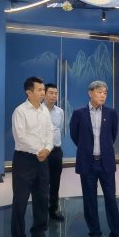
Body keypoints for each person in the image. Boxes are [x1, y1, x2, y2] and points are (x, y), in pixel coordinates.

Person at [69, 80, 119, 237]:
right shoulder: (79, 114)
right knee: (89, 199)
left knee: (111, 199)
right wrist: (86, 149)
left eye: (105, 93)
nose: (103, 95)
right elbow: (74, 135)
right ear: (90, 93)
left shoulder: (111, 113)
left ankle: (116, 235)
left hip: (105, 162)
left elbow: (112, 135)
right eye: (100, 92)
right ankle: (94, 234)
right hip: (88, 163)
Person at [10, 76, 54, 237]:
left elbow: (50, 132)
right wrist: (40, 150)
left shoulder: (44, 111)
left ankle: (39, 233)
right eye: (40, 90)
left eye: (43, 89)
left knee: (42, 198)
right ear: (29, 92)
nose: (43, 92)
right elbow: (20, 137)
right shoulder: (20, 111)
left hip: (43, 160)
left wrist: (48, 149)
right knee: (20, 201)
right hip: (24, 160)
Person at [44, 83, 65, 221]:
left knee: (55, 182)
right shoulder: (39, 110)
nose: (54, 96)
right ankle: (41, 211)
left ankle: (53, 210)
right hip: (42, 152)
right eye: (51, 93)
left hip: (56, 151)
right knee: (42, 183)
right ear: (44, 94)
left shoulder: (60, 112)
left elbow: (60, 129)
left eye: (56, 93)